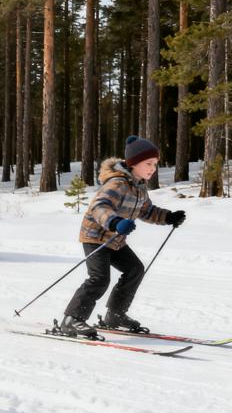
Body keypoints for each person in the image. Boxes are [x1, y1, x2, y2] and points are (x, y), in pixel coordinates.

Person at [59, 135, 187, 337]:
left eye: (155, 164)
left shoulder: (139, 187)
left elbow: (147, 211)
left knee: (135, 269)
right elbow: (98, 206)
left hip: (116, 240)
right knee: (100, 278)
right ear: (134, 163)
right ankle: (71, 319)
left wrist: (169, 217)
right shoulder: (117, 184)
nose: (153, 168)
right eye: (148, 163)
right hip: (95, 237)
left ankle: (115, 315)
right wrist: (115, 222)